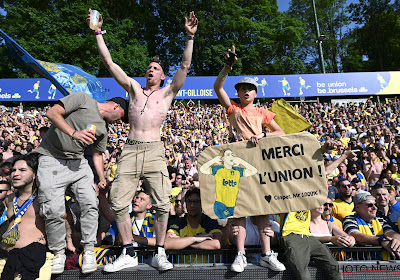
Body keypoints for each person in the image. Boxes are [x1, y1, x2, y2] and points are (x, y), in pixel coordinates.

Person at [89, 9, 198, 271]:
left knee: (162, 202)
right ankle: (128, 252)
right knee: (117, 201)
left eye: (156, 68)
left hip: (154, 150)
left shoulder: (167, 94)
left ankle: (159, 252)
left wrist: (190, 37)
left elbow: (184, 66)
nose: (151, 70)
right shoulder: (133, 89)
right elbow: (110, 64)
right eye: (149, 67)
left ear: (162, 76)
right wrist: (98, 33)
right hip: (130, 149)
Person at [35, 92, 128, 274]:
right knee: (53, 210)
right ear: (116, 107)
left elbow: (97, 154)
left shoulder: (104, 129)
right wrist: (74, 133)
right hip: (51, 159)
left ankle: (88, 251)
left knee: (90, 203)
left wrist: (101, 178)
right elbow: (52, 113)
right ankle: (59, 252)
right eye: (121, 118)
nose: (118, 123)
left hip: (78, 163)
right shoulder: (83, 99)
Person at [213, 46, 285, 273]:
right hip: (236, 165)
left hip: (259, 165)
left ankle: (266, 254)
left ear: (255, 93)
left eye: (249, 88)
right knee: (240, 212)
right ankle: (241, 254)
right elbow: (217, 87)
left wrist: (262, 135)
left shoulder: (263, 112)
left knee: (262, 211)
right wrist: (228, 66)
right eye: (242, 88)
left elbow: (280, 133)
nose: (245, 91)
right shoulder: (233, 109)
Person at [0, 154, 48, 279]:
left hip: (33, 261)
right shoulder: (9, 199)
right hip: (4, 259)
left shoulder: (46, 198)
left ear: (35, 174)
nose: (15, 174)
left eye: (22, 170)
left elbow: (65, 222)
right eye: (13, 170)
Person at [278, 210, 343, 280]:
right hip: (291, 234)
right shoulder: (288, 200)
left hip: (308, 235)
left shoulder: (309, 201)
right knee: (303, 275)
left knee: (334, 268)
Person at [166, 188, 221, 263]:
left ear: (202, 203)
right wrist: (195, 239)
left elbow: (216, 244)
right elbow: (167, 243)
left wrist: (182, 240)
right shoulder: (178, 222)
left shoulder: (210, 221)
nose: (192, 205)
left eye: (196, 202)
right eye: (189, 201)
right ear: (185, 204)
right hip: (182, 270)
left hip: (207, 270)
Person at [343, 191, 400, 259]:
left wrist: (396, 239)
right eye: (370, 205)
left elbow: (390, 232)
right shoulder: (349, 219)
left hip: (383, 263)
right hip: (361, 264)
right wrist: (380, 241)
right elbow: (357, 236)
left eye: (375, 205)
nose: (375, 208)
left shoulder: (380, 220)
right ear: (357, 207)